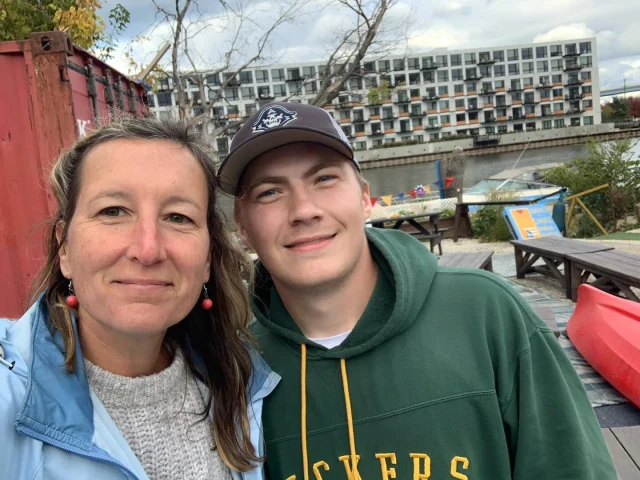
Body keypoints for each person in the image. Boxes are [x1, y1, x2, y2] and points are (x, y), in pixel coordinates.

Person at [220, 102, 616, 480]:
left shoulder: (487, 315)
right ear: (243, 224)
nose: (304, 209)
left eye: (324, 179)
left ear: (364, 197)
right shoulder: (238, 368)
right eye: (269, 192)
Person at [0, 118, 279, 480]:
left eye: (177, 217)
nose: (148, 250)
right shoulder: (9, 392)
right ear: (64, 247)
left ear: (208, 259)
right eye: (113, 211)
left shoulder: (247, 384)